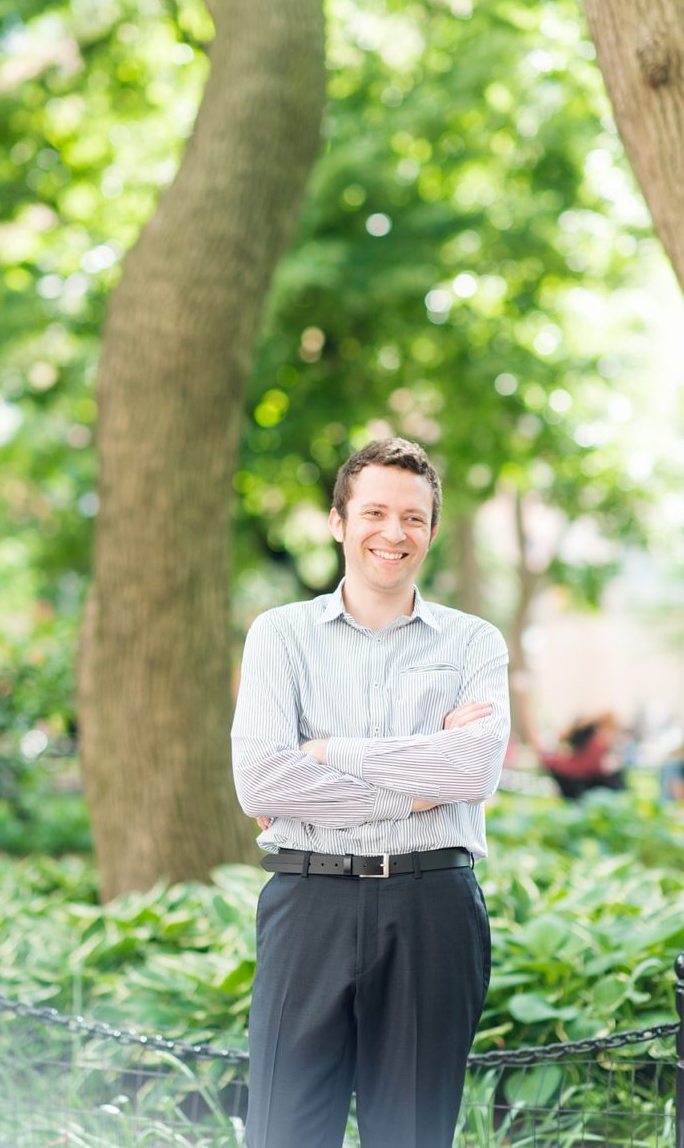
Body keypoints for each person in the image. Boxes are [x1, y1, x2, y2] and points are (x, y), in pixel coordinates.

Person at [231, 438, 511, 1148]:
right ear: (337, 521)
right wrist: (410, 792)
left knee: (412, 1138)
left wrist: (328, 755)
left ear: (432, 531)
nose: (394, 533)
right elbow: (261, 779)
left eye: (413, 518)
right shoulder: (281, 636)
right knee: (285, 1134)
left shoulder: (475, 644)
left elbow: (470, 773)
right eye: (375, 512)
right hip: (307, 904)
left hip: (431, 908)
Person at [539, 712, 625, 800]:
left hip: (581, 781)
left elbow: (583, 764)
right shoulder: (595, 738)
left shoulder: (595, 739)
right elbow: (584, 764)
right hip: (580, 780)